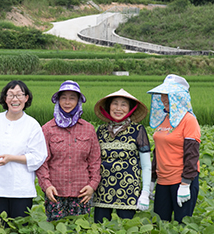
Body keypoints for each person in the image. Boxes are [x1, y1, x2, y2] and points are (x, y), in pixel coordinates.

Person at [35, 80, 101, 222]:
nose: (67, 102)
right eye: (63, 98)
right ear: (57, 101)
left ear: (78, 101)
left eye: (72, 98)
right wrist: (46, 186)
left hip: (82, 192)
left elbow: (95, 161)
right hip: (55, 192)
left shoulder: (88, 129)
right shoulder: (47, 129)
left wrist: (92, 185)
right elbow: (42, 161)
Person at [0, 80, 47, 218]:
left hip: (21, 189)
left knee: (19, 231)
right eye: (11, 95)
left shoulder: (32, 124)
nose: (15, 99)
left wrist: (12, 158)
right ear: (5, 99)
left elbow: (38, 156)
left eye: (19, 95)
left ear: (26, 98)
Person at [92, 89, 151, 223]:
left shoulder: (138, 130)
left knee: (126, 231)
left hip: (128, 190)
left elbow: (146, 165)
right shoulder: (101, 131)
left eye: (124, 105)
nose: (118, 108)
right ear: (108, 107)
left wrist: (145, 192)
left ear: (130, 108)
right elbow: (94, 161)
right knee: (100, 230)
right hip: (102, 191)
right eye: (115, 104)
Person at [148, 74, 201, 223]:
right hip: (163, 180)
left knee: (182, 224)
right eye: (163, 96)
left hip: (181, 180)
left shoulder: (189, 120)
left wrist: (185, 184)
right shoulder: (164, 118)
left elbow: (192, 154)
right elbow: (158, 150)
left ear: (179, 98)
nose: (164, 100)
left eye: (169, 96)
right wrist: (152, 179)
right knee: (160, 223)